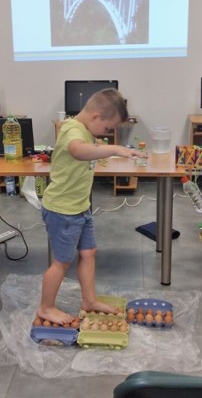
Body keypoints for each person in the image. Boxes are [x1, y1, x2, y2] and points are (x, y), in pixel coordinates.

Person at [37, 88, 145, 325]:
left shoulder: (86, 130)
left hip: (80, 208)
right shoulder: (72, 129)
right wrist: (116, 149)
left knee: (88, 253)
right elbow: (77, 150)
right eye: (108, 129)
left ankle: (89, 301)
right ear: (95, 116)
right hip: (63, 210)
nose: (107, 135)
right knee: (62, 262)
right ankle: (46, 307)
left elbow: (90, 153)